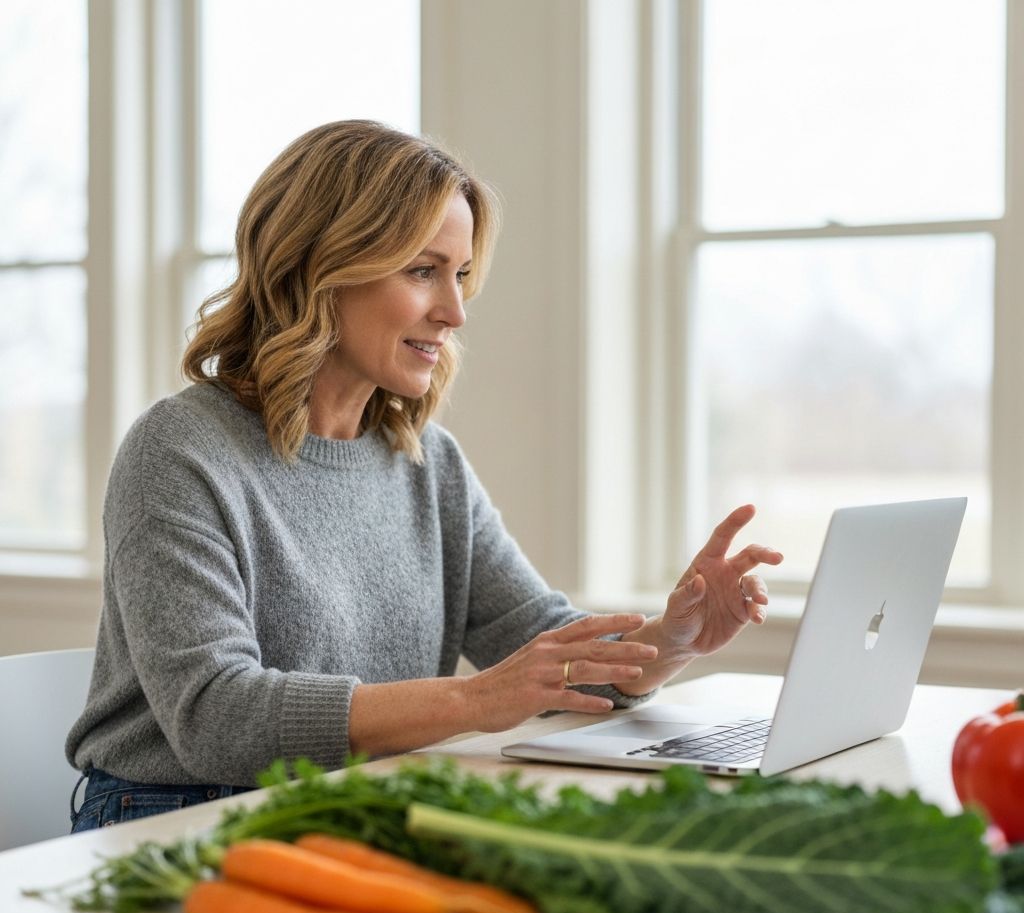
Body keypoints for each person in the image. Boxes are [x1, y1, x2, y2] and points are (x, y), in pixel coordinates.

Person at [66, 120, 783, 832]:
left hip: (357, 807)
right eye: (422, 270)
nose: (456, 311)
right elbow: (216, 717)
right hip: (176, 820)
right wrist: (473, 703)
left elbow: (542, 645)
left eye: (461, 274)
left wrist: (671, 642)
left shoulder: (425, 462)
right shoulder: (179, 451)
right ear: (319, 266)